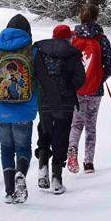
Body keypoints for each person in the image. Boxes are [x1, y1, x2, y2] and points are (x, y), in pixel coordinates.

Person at [0, 14, 60, 203]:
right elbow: (45, 81)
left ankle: (9, 191)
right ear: (27, 32)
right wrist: (55, 104)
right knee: (23, 148)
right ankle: (20, 173)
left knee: (6, 149)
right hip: (24, 111)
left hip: (0, 110)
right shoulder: (32, 52)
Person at [34, 24, 86, 194]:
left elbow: (35, 73)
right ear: (68, 38)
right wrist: (68, 88)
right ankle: (57, 179)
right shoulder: (73, 53)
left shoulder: (41, 50)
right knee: (61, 136)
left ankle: (42, 168)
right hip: (65, 102)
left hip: (45, 99)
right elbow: (80, 78)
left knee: (45, 131)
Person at [67, 3, 111, 174]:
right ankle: (88, 163)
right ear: (96, 17)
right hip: (95, 90)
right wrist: (99, 78)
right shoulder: (102, 39)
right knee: (91, 126)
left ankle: (72, 149)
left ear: (80, 16)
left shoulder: (73, 38)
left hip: (77, 89)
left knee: (76, 124)